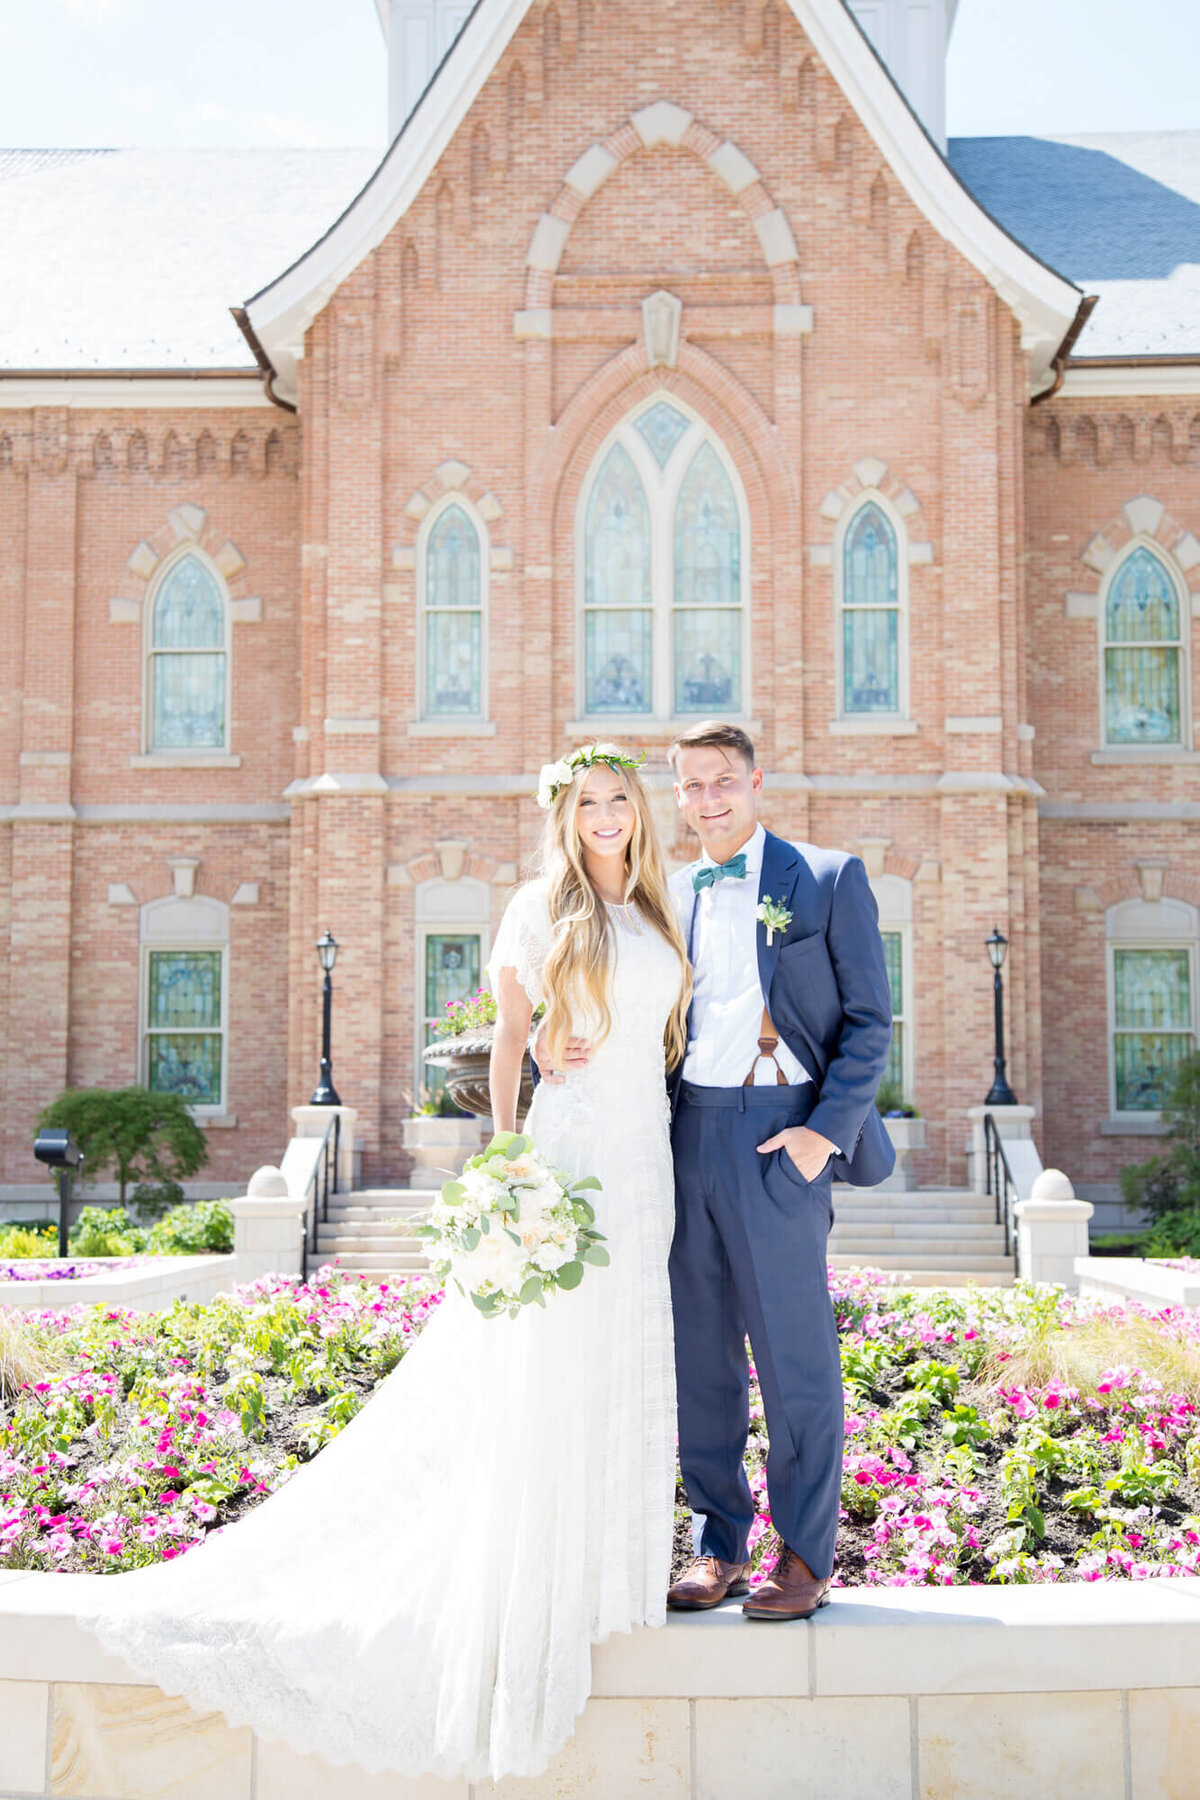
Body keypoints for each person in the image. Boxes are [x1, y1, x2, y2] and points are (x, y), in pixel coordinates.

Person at [77, 743, 691, 1784]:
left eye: (619, 800)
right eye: (587, 801)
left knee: (621, 1353)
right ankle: (532, 1574)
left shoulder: (656, 911)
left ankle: (606, 1572)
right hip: (578, 1149)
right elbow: (509, 1036)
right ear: (564, 811)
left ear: (640, 812)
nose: (605, 816)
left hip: (648, 1154)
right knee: (544, 1362)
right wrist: (506, 1150)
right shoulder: (541, 907)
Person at [546, 721, 894, 1619]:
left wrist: (824, 1134)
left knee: (793, 1355)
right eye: (691, 786)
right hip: (683, 1134)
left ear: (756, 780)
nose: (707, 800)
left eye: (722, 782)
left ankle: (806, 1556)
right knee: (700, 1355)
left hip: (783, 1136)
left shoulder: (823, 877)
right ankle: (718, 1545)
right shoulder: (668, 893)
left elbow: (869, 1022)